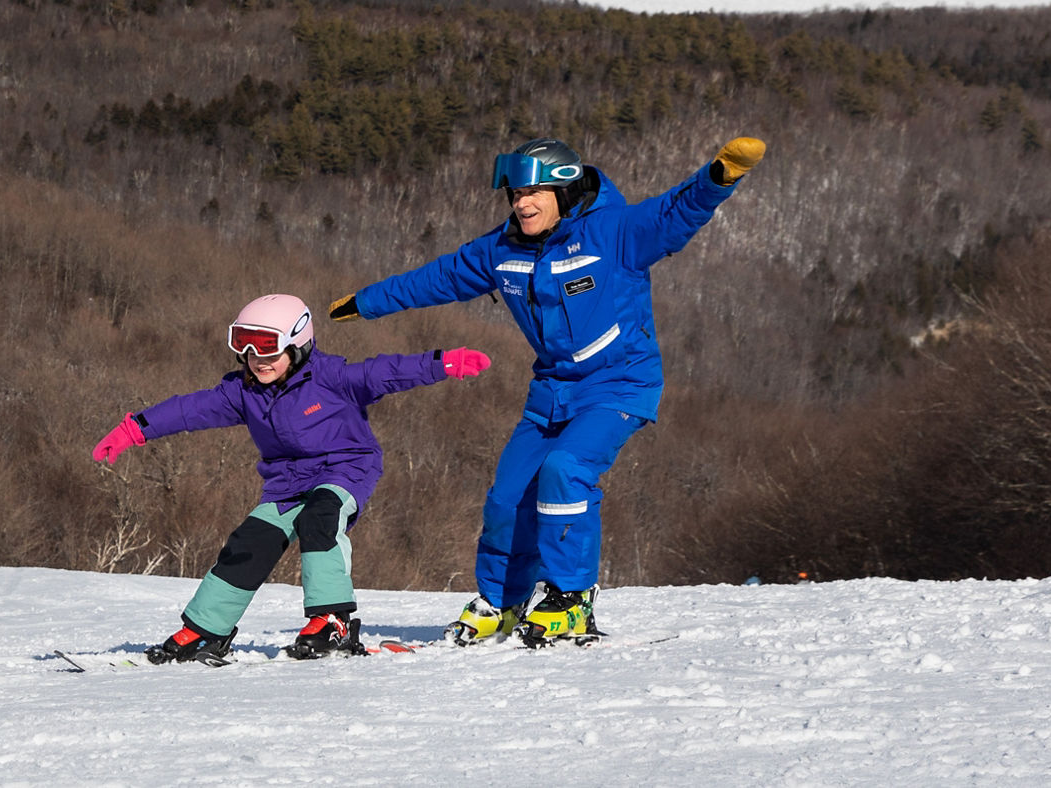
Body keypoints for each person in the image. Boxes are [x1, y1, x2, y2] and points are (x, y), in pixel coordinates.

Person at [327, 136, 765, 646]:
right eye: (514, 194)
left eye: (533, 193)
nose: (521, 203)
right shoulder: (504, 248)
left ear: (564, 190)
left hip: (618, 384)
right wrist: (366, 302)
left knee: (566, 471)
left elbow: (676, 212)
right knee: (507, 498)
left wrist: (720, 175)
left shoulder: (614, 232)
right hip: (552, 392)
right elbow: (438, 278)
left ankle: (571, 599)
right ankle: (503, 601)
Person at [91, 294, 493, 664]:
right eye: (245, 346)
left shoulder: (332, 378)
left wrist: (444, 362)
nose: (256, 358)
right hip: (287, 483)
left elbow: (387, 372)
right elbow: (188, 410)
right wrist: (133, 429)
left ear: (297, 345)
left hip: (345, 469)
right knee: (249, 543)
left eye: (267, 347)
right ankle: (205, 631)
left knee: (320, 517)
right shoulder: (243, 391)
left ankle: (332, 621)